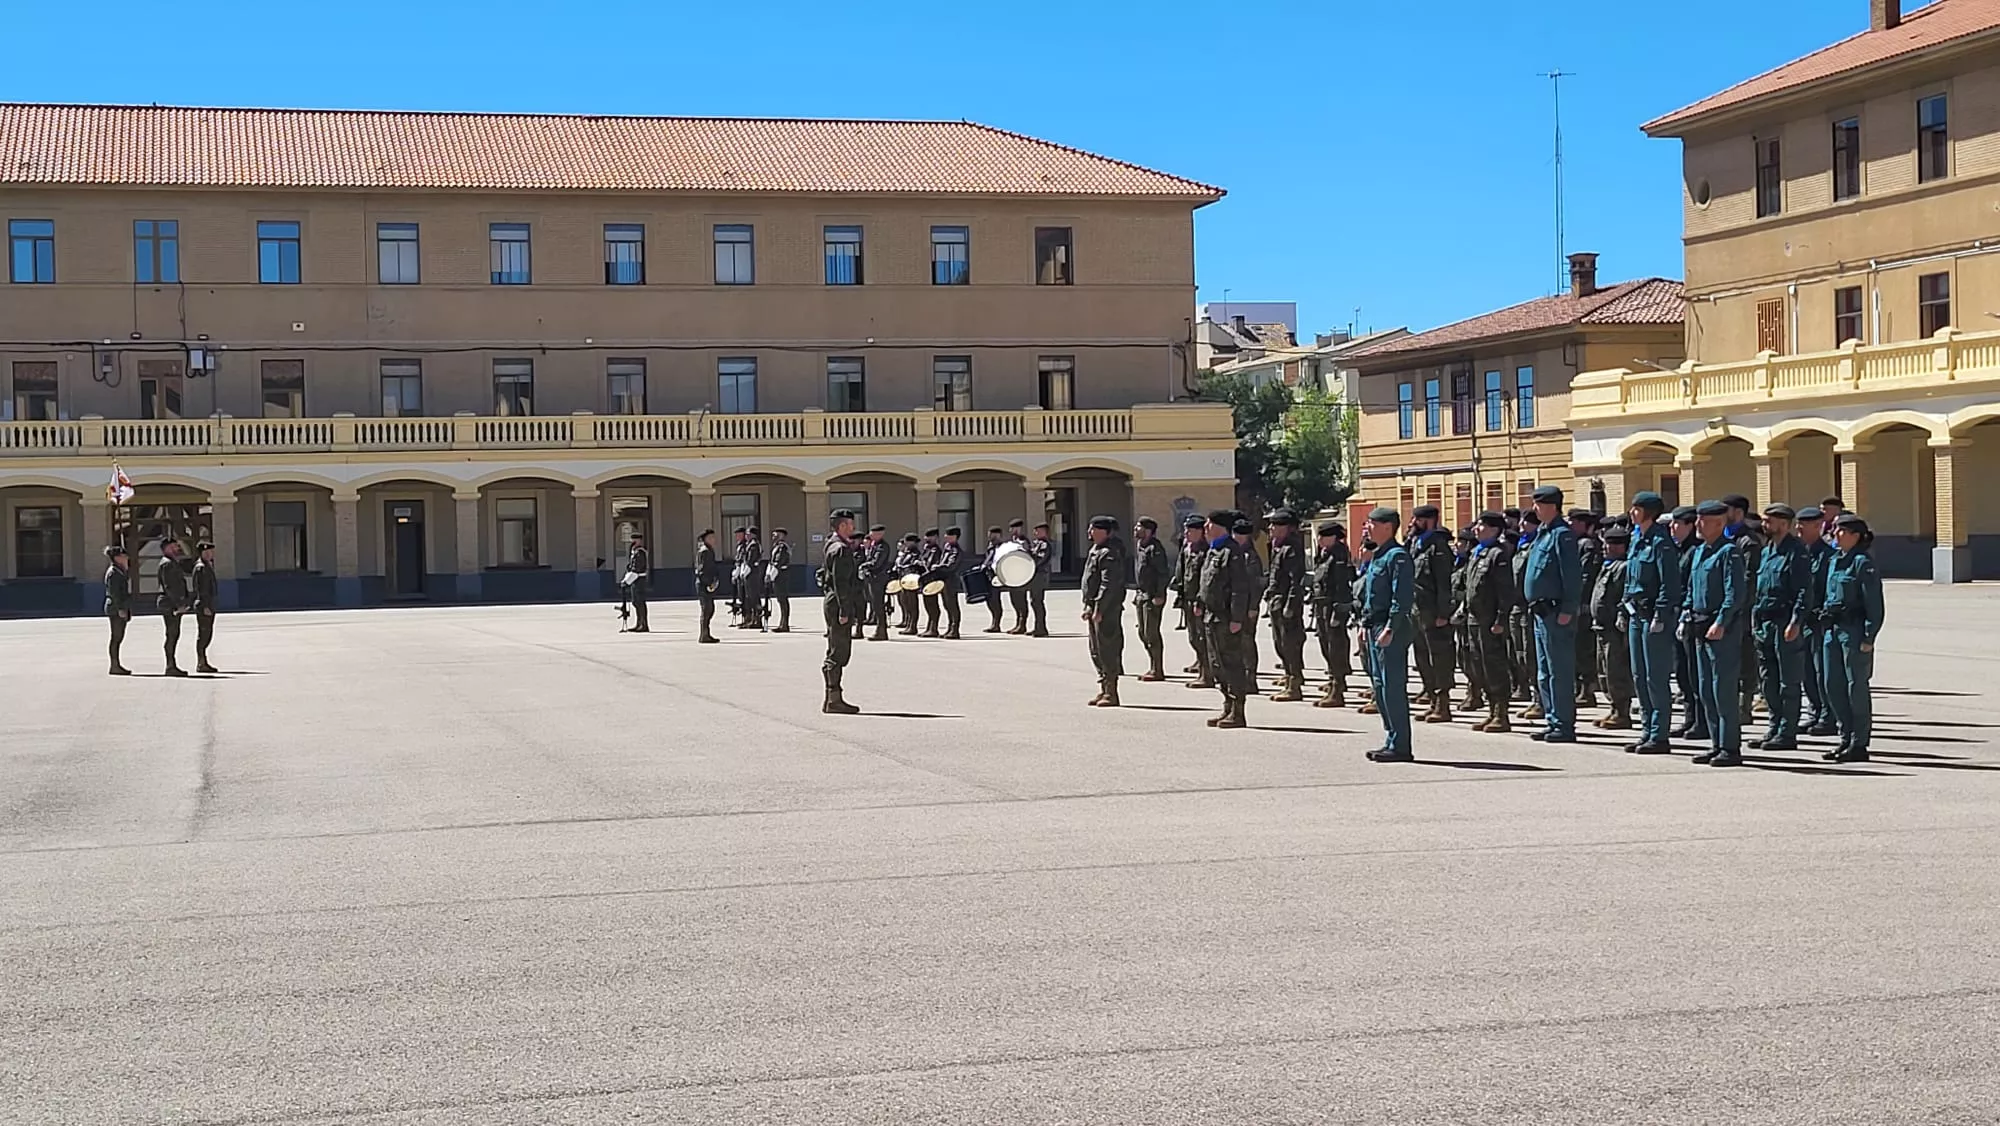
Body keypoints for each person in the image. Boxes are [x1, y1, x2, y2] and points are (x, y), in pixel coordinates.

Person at [1685, 499, 1748, 766]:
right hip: (1700, 626)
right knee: (1705, 689)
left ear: (1720, 524)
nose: (1698, 525)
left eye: (1705, 521)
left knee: (1723, 690)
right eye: (1698, 519)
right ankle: (1716, 743)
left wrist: (1721, 621)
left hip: (1721, 630)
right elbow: (1691, 587)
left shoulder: (1728, 553)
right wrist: (1686, 613)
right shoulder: (1700, 551)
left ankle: (1730, 747)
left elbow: (1735, 594)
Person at [1819, 513, 1882, 763]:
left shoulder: (1862, 563)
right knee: (1831, 685)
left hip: (1854, 632)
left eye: (1841, 531)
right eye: (1835, 530)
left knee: (1855, 687)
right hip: (1832, 631)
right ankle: (1844, 737)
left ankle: (1859, 743)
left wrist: (1869, 635)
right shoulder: (1835, 560)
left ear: (1856, 536)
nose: (1835, 534)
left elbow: (1874, 604)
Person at [1623, 492, 1682, 754]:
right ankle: (1646, 730)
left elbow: (1669, 583)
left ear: (1649, 512)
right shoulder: (1637, 538)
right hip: (1636, 613)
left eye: (1637, 509)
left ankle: (1659, 734)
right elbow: (1630, 576)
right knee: (1639, 675)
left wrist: (1661, 613)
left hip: (1653, 616)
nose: (1632, 512)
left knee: (1655, 677)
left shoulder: (1661, 542)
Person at [1522, 486, 1583, 742]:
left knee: (1559, 669)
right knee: (1544, 671)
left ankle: (1564, 724)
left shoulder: (1562, 535)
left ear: (1552, 506)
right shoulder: (1542, 535)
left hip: (1556, 611)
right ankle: (1552, 718)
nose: (1535, 509)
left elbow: (1571, 576)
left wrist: (1568, 608)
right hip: (1540, 612)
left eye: (1539, 504)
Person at [1749, 504, 1811, 751]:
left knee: (1788, 681)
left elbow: (1803, 590)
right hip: (1764, 621)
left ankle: (1787, 732)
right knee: (1768, 680)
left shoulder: (1796, 552)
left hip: (1784, 622)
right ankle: (1773, 727)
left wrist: (1796, 621)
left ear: (1783, 524)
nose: (1764, 525)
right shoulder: (1767, 551)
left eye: (1769, 521)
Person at [1360, 507, 1416, 761]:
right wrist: (1364, 623)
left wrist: (1391, 627)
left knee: (1392, 686)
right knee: (1380, 686)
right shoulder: (1378, 556)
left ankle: (1401, 745)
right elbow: (1371, 595)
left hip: (1389, 628)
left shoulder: (1397, 556)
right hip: (1374, 626)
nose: (1367, 528)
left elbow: (1400, 597)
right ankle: (1391, 737)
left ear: (1387, 526)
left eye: (1371, 523)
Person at [1198, 509, 1256, 728]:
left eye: (1209, 524)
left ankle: (1238, 711)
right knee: (1217, 664)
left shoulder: (1231, 552)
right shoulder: (1214, 550)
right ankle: (1227, 706)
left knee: (1231, 663)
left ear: (1220, 527)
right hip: (1212, 616)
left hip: (1225, 617)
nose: (1205, 529)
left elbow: (1240, 588)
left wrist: (1236, 617)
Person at [1461, 513, 1515, 733]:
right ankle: (1491, 710)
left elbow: (1504, 590)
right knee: (1479, 665)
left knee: (1494, 666)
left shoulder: (1498, 554)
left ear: (1494, 529)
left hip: (1490, 620)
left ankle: (1501, 713)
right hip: (1474, 618)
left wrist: (1501, 618)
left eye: (1481, 526)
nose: (1476, 529)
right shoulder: (1477, 553)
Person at [1406, 505, 1457, 722]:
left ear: (1429, 520)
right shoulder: (1416, 545)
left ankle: (1443, 703)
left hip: (1434, 611)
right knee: (1422, 657)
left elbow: (1445, 583)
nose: (1412, 524)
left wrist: (1444, 612)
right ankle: (1432, 697)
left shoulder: (1439, 548)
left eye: (1416, 520)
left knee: (1439, 657)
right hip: (1417, 610)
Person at [818, 508, 866, 714]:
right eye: (849, 524)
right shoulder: (841, 549)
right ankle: (833, 699)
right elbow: (841, 582)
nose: (852, 527)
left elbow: (822, 575)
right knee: (839, 651)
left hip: (832, 600)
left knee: (835, 648)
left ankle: (832, 697)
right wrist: (845, 609)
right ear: (842, 525)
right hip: (839, 603)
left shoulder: (831, 544)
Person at [1721, 493, 1764, 723]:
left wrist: (1738, 608)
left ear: (1738, 513)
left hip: (1743, 612)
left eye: (1725, 510)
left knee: (1745, 657)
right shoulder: (1723, 538)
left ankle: (1743, 706)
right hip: (1725, 611)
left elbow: (1749, 580)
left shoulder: (1748, 541)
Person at [1795, 507, 1836, 736]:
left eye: (1805, 524)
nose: (1799, 528)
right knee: (1807, 671)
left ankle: (1828, 715)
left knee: (1822, 671)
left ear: (1818, 526)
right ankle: (1814, 710)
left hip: (1819, 621)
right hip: (1804, 621)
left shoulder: (1828, 556)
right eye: (1798, 523)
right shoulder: (1800, 553)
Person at [1667, 505, 1707, 741]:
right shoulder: (1679, 549)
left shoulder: (1694, 551)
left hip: (1691, 618)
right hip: (1679, 616)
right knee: (1682, 671)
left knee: (1694, 672)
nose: (1673, 528)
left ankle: (1700, 721)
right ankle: (1690, 717)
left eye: (1677, 524)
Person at [1081, 515, 1130, 706]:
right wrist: (1088, 605)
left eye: (1093, 529)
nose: (1089, 532)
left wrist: (1099, 607)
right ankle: (1103, 687)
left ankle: (1112, 691)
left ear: (1104, 531)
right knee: (1096, 649)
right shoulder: (1097, 550)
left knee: (1107, 648)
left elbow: (1108, 584)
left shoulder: (1110, 552)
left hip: (1107, 609)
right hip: (1094, 607)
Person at [1262, 509, 1310, 702]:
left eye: (1276, 525)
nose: (1271, 528)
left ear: (1287, 528)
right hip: (1276, 601)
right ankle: (1289, 676)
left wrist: (1291, 605)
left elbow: (1295, 581)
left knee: (1290, 643)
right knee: (1280, 642)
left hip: (1286, 602)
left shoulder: (1291, 549)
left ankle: (1295, 683)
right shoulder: (1277, 546)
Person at [1589, 525, 1633, 731]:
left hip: (1613, 629)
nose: (1605, 547)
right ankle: (1614, 708)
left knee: (1616, 670)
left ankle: (1622, 711)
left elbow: (1622, 596)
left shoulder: (1623, 567)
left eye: (1610, 544)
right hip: (1600, 626)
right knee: (1604, 670)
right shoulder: (1608, 566)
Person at [1310, 522, 1356, 708]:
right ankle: (1333, 680)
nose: (1319, 540)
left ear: (1334, 537)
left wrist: (1340, 611)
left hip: (1334, 606)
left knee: (1336, 645)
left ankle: (1338, 687)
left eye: (1323, 536)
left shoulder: (1339, 556)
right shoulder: (1324, 555)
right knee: (1325, 643)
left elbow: (1342, 585)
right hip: (1322, 605)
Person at [1569, 510, 1604, 710]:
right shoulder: (1577, 543)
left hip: (1583, 605)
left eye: (1574, 522)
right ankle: (1579, 687)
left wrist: (1578, 599)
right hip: (1577, 604)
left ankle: (1587, 689)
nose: (1571, 525)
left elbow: (1585, 576)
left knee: (1583, 648)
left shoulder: (1587, 545)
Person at [1131, 516, 1172, 681]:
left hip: (1152, 595)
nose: (1135, 529)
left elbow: (1163, 573)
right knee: (1142, 633)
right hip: (1141, 594)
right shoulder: (1141, 546)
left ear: (1148, 531)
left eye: (1139, 527)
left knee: (1151, 632)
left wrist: (1159, 594)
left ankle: (1157, 669)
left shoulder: (1155, 548)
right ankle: (1152, 665)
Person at [1510, 509, 1541, 713]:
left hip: (1529, 607)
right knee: (1521, 654)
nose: (1521, 525)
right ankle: (1532, 694)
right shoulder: (1520, 547)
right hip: (1517, 606)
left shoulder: (1535, 547)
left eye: (1527, 522)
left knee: (1532, 654)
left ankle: (1540, 699)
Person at [1178, 514, 1214, 688]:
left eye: (1191, 530)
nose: (1186, 533)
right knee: (1194, 637)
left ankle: (1207, 675)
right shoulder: (1188, 549)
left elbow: (1205, 579)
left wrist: (1200, 601)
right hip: (1188, 599)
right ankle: (1201, 668)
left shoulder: (1206, 551)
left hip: (1200, 601)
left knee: (1202, 638)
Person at [1450, 528, 1481, 716]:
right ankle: (1473, 689)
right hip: (1459, 616)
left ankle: (1475, 691)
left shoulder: (1471, 563)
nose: (1457, 545)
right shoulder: (1458, 563)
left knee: (1473, 656)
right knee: (1463, 655)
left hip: (1470, 613)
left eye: (1460, 542)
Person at [1232, 517, 1265, 687]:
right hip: (1237, 605)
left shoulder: (1250, 557)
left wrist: (1253, 606)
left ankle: (1250, 677)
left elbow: (1255, 583)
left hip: (1247, 606)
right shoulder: (1236, 554)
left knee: (1247, 642)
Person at [155, 537, 192, 677]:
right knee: (171, 634)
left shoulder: (172, 563)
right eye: (173, 546)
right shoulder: (167, 564)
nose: (177, 548)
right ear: (166, 549)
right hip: (169, 604)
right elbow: (169, 587)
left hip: (171, 603)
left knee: (174, 634)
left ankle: (172, 664)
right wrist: (178, 604)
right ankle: (170, 665)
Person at [1353, 535, 1380, 714]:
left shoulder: (1375, 570)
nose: (1360, 551)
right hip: (1361, 619)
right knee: (1366, 659)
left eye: (1364, 549)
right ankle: (1374, 690)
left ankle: (1379, 698)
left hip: (1371, 620)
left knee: (1375, 660)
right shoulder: (1363, 569)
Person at [191, 539, 222, 673]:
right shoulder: (201, 567)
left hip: (208, 603)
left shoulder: (207, 565)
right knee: (203, 634)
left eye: (211, 551)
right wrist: (205, 606)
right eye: (207, 551)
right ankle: (201, 662)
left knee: (207, 633)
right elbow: (201, 589)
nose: (210, 554)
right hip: (204, 604)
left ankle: (203, 661)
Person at [104, 544, 133, 676]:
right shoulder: (113, 573)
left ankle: (116, 663)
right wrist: (120, 608)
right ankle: (114, 665)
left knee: (119, 636)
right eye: (123, 556)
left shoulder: (120, 570)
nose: (126, 557)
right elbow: (115, 593)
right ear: (116, 558)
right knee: (116, 637)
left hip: (121, 606)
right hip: (115, 608)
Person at [862, 524, 894, 641]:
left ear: (880, 534)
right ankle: (879, 629)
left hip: (879, 579)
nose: (871, 535)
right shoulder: (874, 545)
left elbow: (876, 562)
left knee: (878, 605)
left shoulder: (882, 547)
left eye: (873, 533)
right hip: (872, 578)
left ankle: (881, 630)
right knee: (875, 604)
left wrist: (865, 565)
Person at [892, 533, 924, 636]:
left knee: (912, 604)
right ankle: (908, 624)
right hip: (903, 579)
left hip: (911, 580)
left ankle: (913, 626)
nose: (906, 543)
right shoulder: (906, 553)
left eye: (909, 541)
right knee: (906, 603)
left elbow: (915, 565)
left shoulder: (915, 554)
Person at [978, 526, 1008, 633]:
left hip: (996, 576)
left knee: (995, 600)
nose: (989, 536)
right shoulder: (990, 547)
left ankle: (997, 624)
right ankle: (994, 622)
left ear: (998, 535)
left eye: (991, 534)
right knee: (990, 600)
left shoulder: (1002, 547)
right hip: (988, 576)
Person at [938, 527, 966, 639]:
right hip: (944, 580)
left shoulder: (956, 550)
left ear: (954, 537)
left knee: (952, 605)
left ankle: (955, 629)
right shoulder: (947, 548)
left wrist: (939, 567)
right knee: (946, 605)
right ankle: (950, 627)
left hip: (951, 580)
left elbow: (951, 566)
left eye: (948, 535)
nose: (945, 537)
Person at [1005, 519, 1033, 633]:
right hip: (1012, 573)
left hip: (1021, 573)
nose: (1011, 531)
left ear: (1018, 528)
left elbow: (1026, 555)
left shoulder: (1024, 541)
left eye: (1013, 528)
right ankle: (1017, 623)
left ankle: (1022, 624)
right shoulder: (1012, 541)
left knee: (1021, 600)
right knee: (1014, 599)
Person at [694, 530, 722, 644]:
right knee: (707, 609)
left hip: (706, 582)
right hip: (704, 583)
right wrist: (708, 583)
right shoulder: (705, 551)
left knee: (709, 609)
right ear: (705, 539)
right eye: (711, 538)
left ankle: (706, 633)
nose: (713, 540)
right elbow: (702, 569)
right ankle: (704, 634)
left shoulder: (708, 550)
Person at [1026, 523, 1053, 637]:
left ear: (1044, 532)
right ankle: (1038, 626)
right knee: (1034, 601)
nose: (1035, 533)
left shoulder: (1045, 545)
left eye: (1038, 531)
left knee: (1037, 602)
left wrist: (1030, 556)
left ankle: (1041, 628)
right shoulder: (1038, 544)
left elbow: (1040, 559)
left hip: (1040, 575)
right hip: (1035, 576)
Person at [738, 526, 767, 631]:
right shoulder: (749, 545)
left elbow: (751, 560)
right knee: (749, 597)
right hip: (748, 573)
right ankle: (752, 619)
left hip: (752, 574)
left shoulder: (754, 545)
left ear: (754, 534)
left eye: (748, 533)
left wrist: (746, 570)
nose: (746, 535)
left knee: (754, 597)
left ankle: (757, 620)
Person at [918, 528, 945, 637]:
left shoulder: (936, 550)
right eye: (926, 536)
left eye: (930, 537)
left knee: (933, 605)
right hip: (925, 580)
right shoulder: (927, 549)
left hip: (932, 580)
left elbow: (932, 565)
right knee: (928, 605)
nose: (927, 539)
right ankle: (929, 627)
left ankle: (933, 628)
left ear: (935, 538)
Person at [621, 534, 650, 633]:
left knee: (640, 601)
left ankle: (643, 624)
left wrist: (627, 580)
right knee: (635, 602)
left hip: (639, 579)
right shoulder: (634, 551)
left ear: (640, 540)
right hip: (635, 579)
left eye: (635, 539)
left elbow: (637, 568)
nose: (633, 541)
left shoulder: (640, 552)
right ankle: (639, 623)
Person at [767, 528, 793, 633]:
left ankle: (784, 624)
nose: (773, 537)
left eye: (775, 535)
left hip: (781, 575)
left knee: (783, 599)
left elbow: (778, 562)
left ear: (781, 535)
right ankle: (782, 623)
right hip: (777, 575)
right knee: (780, 599)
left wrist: (772, 574)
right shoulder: (777, 547)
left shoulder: (782, 547)